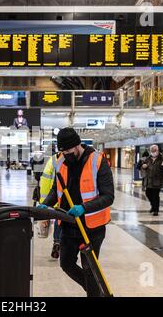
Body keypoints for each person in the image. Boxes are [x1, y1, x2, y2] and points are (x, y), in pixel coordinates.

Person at [37, 127, 114, 297]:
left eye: (69, 151)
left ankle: (94, 293)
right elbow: (56, 190)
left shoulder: (97, 161)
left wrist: (84, 208)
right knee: (66, 264)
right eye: (62, 151)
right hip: (68, 223)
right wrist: (46, 204)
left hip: (92, 227)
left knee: (89, 269)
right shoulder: (60, 161)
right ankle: (95, 291)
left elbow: (109, 196)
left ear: (78, 145)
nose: (66, 155)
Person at [38, 152, 62, 259]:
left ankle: (57, 242)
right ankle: (59, 242)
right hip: (61, 196)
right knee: (61, 220)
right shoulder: (66, 161)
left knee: (58, 219)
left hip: (53, 196)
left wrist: (44, 202)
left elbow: (44, 182)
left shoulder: (51, 160)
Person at [140, 145, 163, 216]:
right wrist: (143, 166)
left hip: (157, 180)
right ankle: (153, 206)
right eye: (152, 151)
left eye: (155, 151)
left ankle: (156, 210)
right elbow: (142, 166)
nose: (153, 152)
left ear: (157, 150)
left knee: (155, 195)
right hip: (149, 180)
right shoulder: (147, 159)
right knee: (148, 193)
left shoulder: (162, 158)